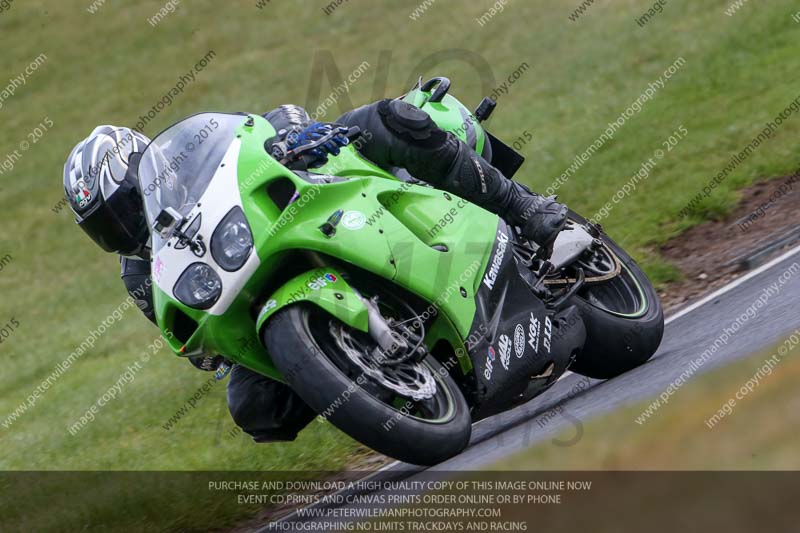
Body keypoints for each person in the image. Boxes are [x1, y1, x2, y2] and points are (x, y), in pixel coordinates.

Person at [62, 99, 568, 442]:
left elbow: (259, 128)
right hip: (260, 299)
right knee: (253, 407)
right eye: (105, 226)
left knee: (392, 119)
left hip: (310, 204)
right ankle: (377, 383)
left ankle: (530, 213)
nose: (124, 228)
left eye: (125, 208)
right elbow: (200, 351)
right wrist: (218, 348)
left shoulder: (191, 165)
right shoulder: (141, 276)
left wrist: (291, 133)